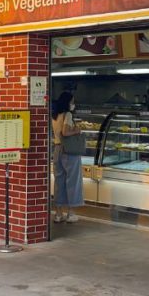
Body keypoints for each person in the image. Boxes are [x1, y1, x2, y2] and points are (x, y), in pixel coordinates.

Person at [51, 90, 84, 223]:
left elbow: (58, 132)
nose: (73, 104)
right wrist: (77, 130)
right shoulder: (68, 114)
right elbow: (65, 132)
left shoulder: (55, 115)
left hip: (57, 149)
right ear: (67, 103)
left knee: (59, 182)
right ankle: (71, 213)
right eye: (72, 102)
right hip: (69, 152)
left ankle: (58, 214)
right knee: (72, 182)